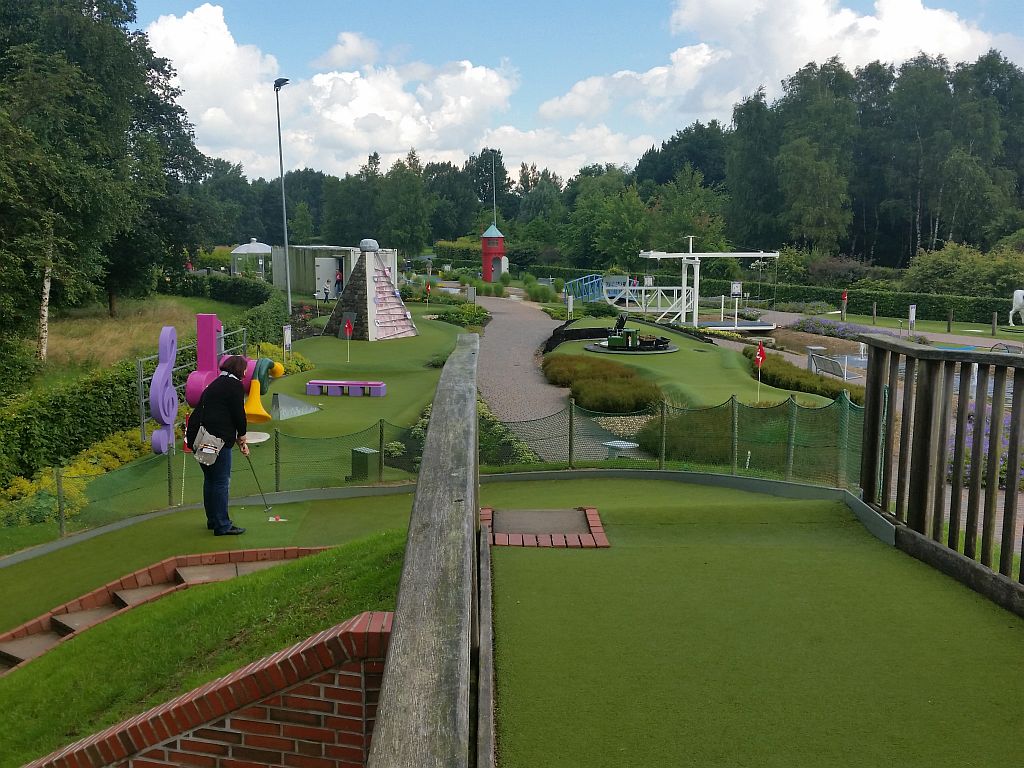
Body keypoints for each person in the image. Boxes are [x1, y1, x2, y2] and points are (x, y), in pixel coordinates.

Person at [187, 356, 249, 535]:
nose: (246, 373)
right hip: (215, 439)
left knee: (211, 479)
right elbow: (239, 414)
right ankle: (222, 525)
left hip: (199, 437)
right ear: (239, 369)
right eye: (245, 369)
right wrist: (242, 437)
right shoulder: (234, 385)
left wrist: (238, 438)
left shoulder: (216, 383)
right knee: (221, 481)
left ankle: (214, 520)